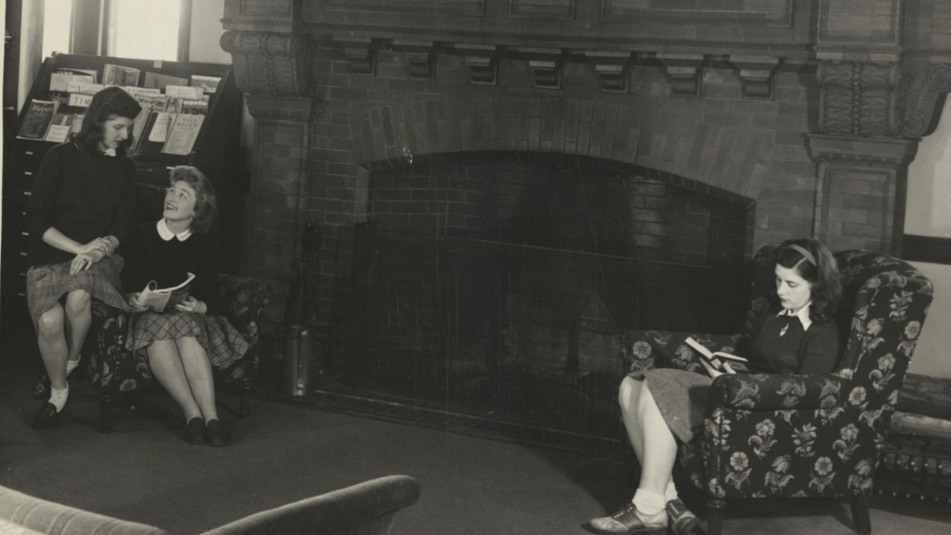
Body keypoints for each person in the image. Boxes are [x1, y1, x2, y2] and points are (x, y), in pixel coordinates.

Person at [589, 238, 843, 535]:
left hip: (761, 412)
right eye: (777, 280)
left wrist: (743, 382)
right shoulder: (774, 314)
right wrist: (725, 365)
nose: (780, 291)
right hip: (732, 391)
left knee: (654, 387)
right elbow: (749, 355)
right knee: (630, 386)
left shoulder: (823, 332)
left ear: (817, 285)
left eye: (791, 284)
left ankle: (647, 507)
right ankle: (666, 502)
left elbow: (806, 392)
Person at [25, 86, 142, 429]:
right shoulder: (58, 157)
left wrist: (98, 249)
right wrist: (80, 249)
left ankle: (68, 367)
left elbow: (124, 226)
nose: (126, 134)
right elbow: (36, 221)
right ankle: (60, 387)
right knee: (48, 321)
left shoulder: (125, 169)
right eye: (119, 126)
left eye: (129, 127)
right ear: (98, 122)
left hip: (101, 255)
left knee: (78, 299)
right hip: (53, 252)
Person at [120, 165, 248, 446]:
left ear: (197, 209)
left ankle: (211, 418)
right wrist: (132, 298)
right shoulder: (142, 235)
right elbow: (126, 282)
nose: (172, 197)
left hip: (184, 317)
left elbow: (210, 289)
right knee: (160, 334)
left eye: (183, 194)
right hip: (148, 317)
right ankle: (193, 413)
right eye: (171, 190)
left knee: (187, 331)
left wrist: (201, 305)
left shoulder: (203, 242)